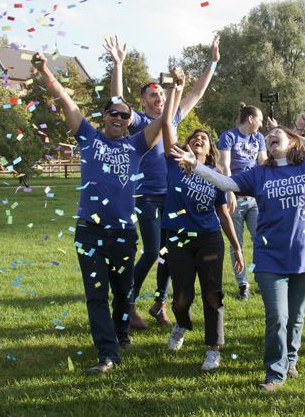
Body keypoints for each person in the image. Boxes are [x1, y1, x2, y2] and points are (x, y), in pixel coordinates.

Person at [173, 114, 305, 391]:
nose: (270, 136)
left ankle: (291, 359)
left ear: (292, 141)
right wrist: (197, 166)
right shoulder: (259, 172)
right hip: (270, 256)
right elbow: (226, 183)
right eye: (267, 136)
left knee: (296, 316)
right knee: (277, 316)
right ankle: (274, 372)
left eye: (276, 133)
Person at [33, 51, 168, 375]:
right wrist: (43, 70)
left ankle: (121, 335)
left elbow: (165, 121)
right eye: (114, 114)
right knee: (97, 295)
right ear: (104, 116)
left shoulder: (136, 144)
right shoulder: (88, 138)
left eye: (125, 115)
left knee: (122, 293)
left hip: (123, 233)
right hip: (90, 231)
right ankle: (107, 354)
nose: (119, 119)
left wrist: (174, 89)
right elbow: (66, 101)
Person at [106, 35, 221, 328]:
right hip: (146, 196)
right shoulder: (141, 124)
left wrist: (212, 63)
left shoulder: (175, 119)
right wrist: (118, 65)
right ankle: (127, 305)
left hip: (173, 199)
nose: (159, 98)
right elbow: (117, 103)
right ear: (143, 101)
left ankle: (159, 303)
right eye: (153, 96)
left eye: (162, 94)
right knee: (151, 250)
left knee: (170, 254)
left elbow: (196, 92)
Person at [158, 66, 245, 371]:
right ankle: (181, 324)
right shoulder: (174, 162)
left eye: (203, 140)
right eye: (193, 137)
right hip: (178, 238)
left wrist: (236, 246)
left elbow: (224, 214)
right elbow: (168, 123)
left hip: (209, 238)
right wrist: (176, 88)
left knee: (212, 295)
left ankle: (214, 348)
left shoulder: (215, 176)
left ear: (209, 153)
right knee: (181, 297)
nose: (197, 139)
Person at [217, 103, 268, 300]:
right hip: (235, 199)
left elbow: (262, 165)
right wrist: (229, 191)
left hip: (254, 199)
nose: (261, 125)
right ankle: (243, 285)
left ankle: (262, 279)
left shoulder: (259, 138)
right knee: (236, 243)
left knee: (261, 240)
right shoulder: (228, 137)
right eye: (260, 120)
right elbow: (225, 165)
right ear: (250, 119)